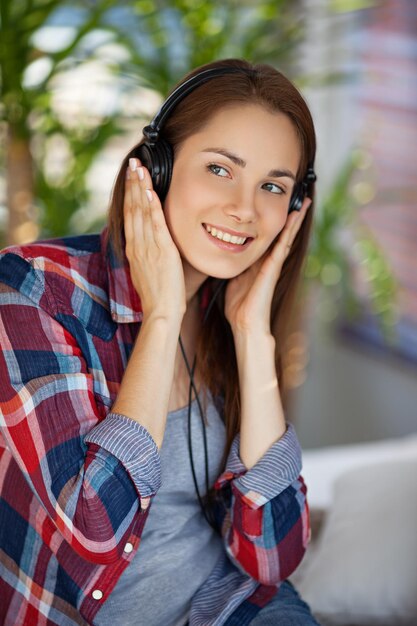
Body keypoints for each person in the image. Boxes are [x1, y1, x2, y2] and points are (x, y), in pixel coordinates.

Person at [0, 58, 320, 625]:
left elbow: (272, 559)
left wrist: (252, 336)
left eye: (273, 186)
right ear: (156, 168)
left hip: (229, 606)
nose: (245, 209)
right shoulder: (33, 290)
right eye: (221, 170)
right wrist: (162, 316)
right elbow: (92, 532)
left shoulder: (227, 315)